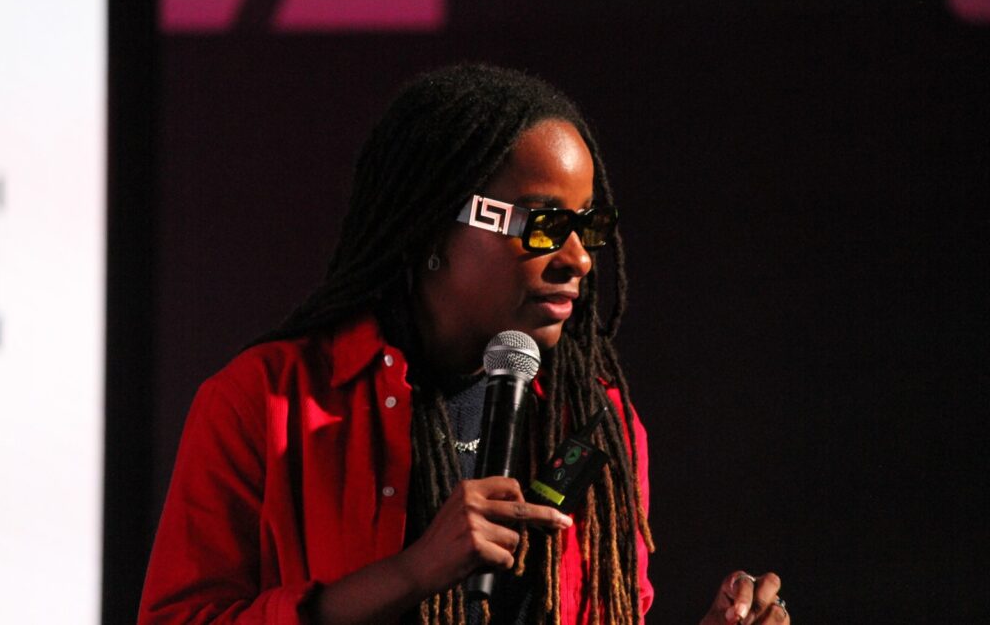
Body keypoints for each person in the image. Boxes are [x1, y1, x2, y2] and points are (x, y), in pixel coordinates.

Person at [138, 63, 790, 624]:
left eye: (588, 227)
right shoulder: (265, 401)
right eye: (544, 223)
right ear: (432, 227)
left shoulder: (594, 420)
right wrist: (412, 574)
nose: (579, 259)